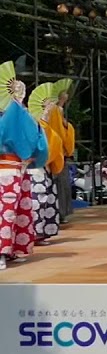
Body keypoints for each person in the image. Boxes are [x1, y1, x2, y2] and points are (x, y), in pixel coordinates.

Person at [0, 82, 41, 269]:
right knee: (8, 212)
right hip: (10, 168)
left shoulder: (18, 115)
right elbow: (33, 138)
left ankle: (10, 250)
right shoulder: (17, 115)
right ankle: (5, 251)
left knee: (12, 212)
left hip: (13, 167)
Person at [32, 98, 62, 244]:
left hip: (45, 167)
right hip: (34, 168)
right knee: (37, 201)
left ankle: (42, 233)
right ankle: (35, 233)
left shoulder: (45, 127)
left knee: (47, 201)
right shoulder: (34, 125)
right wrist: (45, 113)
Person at [50, 90, 74, 222]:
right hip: (53, 154)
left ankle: (62, 213)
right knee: (57, 184)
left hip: (61, 155)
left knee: (62, 185)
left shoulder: (64, 124)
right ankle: (57, 213)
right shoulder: (52, 118)